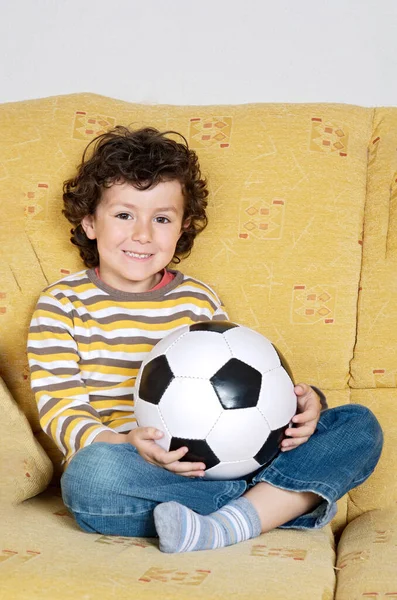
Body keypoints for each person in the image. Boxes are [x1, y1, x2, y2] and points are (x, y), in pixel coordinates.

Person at [27, 126, 383, 554]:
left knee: (357, 425)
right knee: (90, 477)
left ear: (182, 228)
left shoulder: (197, 299)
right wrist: (123, 443)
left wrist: (300, 407)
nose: (142, 234)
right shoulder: (62, 304)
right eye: (124, 215)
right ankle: (269, 506)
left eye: (161, 219)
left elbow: (241, 386)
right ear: (89, 222)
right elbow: (61, 409)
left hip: (232, 459)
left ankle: (225, 523)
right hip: (136, 470)